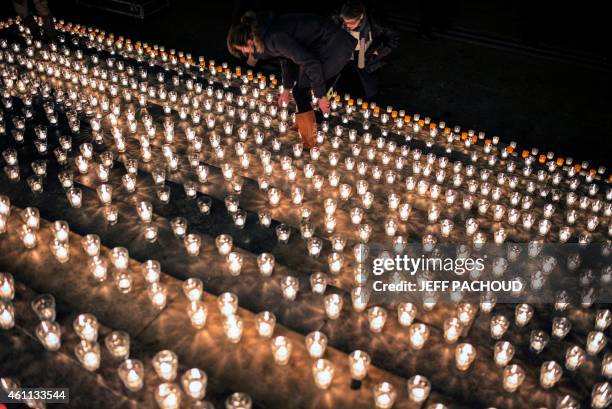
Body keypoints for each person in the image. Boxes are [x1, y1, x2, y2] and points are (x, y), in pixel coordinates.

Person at [227, 12, 357, 148]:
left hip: (333, 45)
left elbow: (311, 63)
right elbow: (286, 57)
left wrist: (321, 95)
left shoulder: (272, 38)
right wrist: (286, 88)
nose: (244, 52)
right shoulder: (265, 36)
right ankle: (304, 122)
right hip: (319, 44)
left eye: (242, 48)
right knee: (300, 88)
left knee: (300, 90)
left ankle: (309, 139)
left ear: (249, 41)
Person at [335, 0, 400, 100]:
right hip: (347, 55)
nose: (347, 26)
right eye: (345, 22)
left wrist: (379, 51)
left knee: (367, 85)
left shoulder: (375, 24)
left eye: (351, 22)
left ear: (361, 17)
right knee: (344, 84)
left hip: (367, 55)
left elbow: (394, 37)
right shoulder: (338, 21)